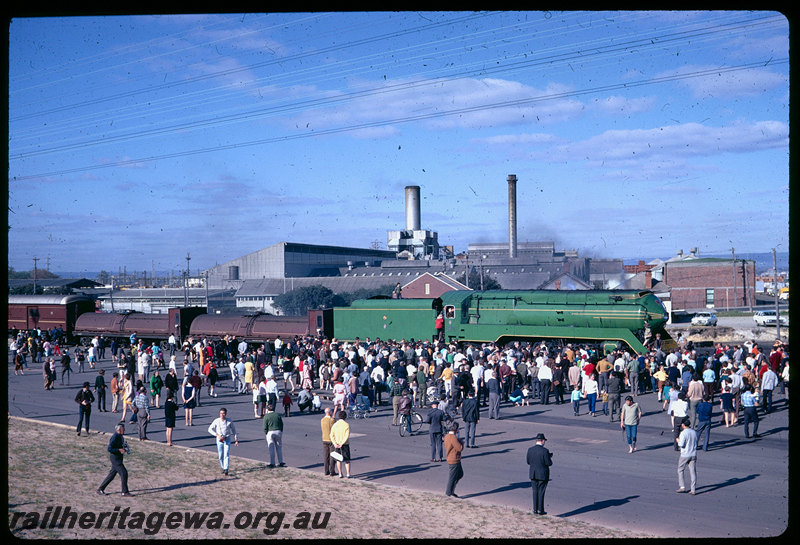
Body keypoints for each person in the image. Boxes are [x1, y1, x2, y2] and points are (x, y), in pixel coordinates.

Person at [97, 423, 132, 497]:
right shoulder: (115, 437)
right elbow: (109, 449)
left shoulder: (120, 436)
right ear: (119, 430)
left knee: (112, 475)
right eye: (123, 429)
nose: (124, 430)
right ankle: (124, 492)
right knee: (124, 473)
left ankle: (100, 489)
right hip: (115, 459)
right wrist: (119, 450)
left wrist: (124, 448)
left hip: (119, 458)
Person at [526, 432, 553, 515]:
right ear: (542, 441)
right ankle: (540, 510)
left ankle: (535, 509)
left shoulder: (530, 449)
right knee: (541, 492)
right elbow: (549, 463)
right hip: (542, 475)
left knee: (535, 491)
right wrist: (549, 457)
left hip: (533, 474)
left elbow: (528, 462)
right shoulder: (545, 451)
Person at [208, 408, 239, 475]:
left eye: (223, 413)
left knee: (226, 454)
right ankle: (223, 467)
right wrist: (217, 435)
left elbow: (234, 430)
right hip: (219, 440)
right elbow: (210, 429)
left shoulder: (229, 421)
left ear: (226, 414)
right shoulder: (216, 421)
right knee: (220, 455)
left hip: (227, 439)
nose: (222, 415)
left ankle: (226, 469)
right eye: (221, 413)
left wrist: (236, 439)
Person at [676, 417, 698, 495]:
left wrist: (678, 441)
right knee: (693, 471)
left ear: (683, 425)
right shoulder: (694, 432)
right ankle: (693, 489)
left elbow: (681, 444)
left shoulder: (683, 433)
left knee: (680, 470)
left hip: (685, 454)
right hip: (693, 453)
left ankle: (682, 487)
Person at [444, 421, 464, 497]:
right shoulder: (453, 437)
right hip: (454, 459)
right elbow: (459, 448)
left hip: (453, 458)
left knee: (459, 474)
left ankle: (451, 490)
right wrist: (462, 443)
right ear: (456, 429)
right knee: (452, 477)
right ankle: (449, 492)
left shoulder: (447, 436)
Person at [263, 403, 286, 468]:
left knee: (271, 448)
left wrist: (266, 432)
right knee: (279, 448)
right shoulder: (277, 415)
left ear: (267, 409)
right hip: (278, 431)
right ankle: (281, 462)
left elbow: (264, 426)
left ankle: (272, 463)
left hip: (270, 432)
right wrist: (281, 431)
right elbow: (281, 424)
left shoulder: (266, 416)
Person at [330, 410, 352, 478]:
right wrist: (342, 443)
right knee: (347, 460)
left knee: (338, 459)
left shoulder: (335, 424)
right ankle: (348, 474)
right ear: (345, 417)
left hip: (336, 444)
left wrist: (334, 443)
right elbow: (346, 435)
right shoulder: (346, 425)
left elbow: (331, 435)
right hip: (345, 444)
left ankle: (340, 473)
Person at [320, 408, 338, 476]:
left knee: (326, 456)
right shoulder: (332, 420)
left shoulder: (322, 420)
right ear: (330, 412)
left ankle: (326, 470)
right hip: (331, 440)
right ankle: (332, 471)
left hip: (324, 439)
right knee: (332, 456)